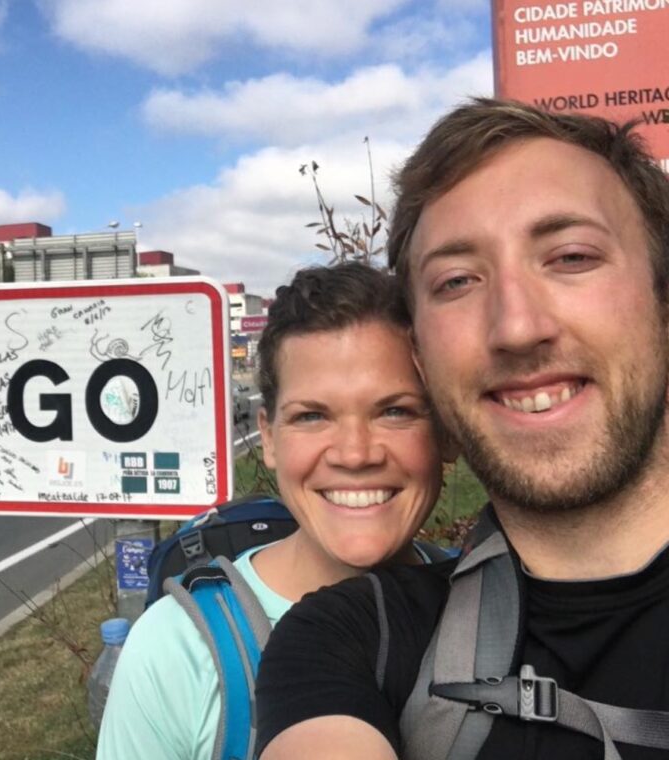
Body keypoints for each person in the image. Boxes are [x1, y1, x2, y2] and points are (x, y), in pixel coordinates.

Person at [256, 97, 669, 760]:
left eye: (569, 257)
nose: (515, 325)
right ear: (422, 356)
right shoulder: (356, 638)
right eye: (456, 280)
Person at [96, 262, 455, 760]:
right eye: (312, 416)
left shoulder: (498, 602)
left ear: (445, 431)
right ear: (267, 438)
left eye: (395, 411)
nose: (355, 453)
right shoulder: (177, 653)